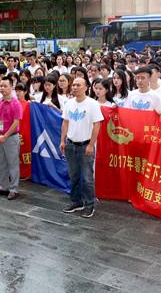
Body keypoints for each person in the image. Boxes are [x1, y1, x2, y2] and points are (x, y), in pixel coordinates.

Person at [60, 77, 104, 218]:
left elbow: (97, 124)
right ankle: (76, 202)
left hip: (86, 146)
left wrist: (91, 144)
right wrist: (62, 140)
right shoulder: (69, 103)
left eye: (78, 85)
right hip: (70, 145)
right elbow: (65, 122)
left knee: (87, 178)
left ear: (86, 87)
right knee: (73, 176)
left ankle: (89, 205)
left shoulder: (92, 104)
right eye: (73, 85)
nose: (75, 87)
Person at [0, 76, 23, 200]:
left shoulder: (16, 103)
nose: (2, 88)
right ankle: (3, 186)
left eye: (5, 86)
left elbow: (16, 123)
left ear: (11, 87)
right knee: (0, 163)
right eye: (1, 86)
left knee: (13, 163)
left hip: (11, 138)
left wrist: (5, 136)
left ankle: (14, 188)